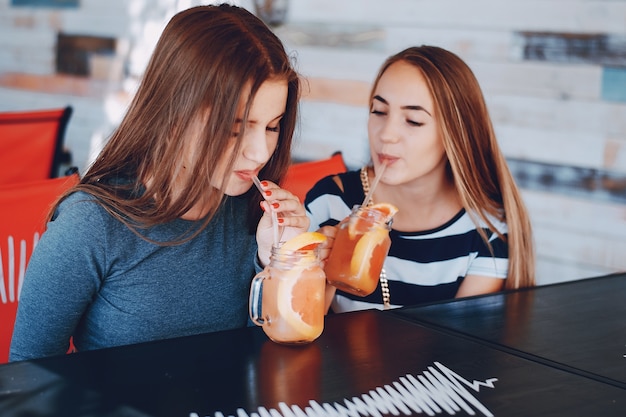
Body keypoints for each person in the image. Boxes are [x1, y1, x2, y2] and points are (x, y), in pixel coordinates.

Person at [10, 4, 308, 361]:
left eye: (272, 126)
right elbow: (28, 380)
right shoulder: (91, 227)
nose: (260, 152)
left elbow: (260, 363)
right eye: (235, 129)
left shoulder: (251, 214)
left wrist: (276, 263)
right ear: (173, 114)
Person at [306, 46, 535, 313]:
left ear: (456, 134)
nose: (387, 135)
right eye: (379, 111)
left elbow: (463, 347)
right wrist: (319, 281)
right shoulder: (330, 203)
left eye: (413, 121)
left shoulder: (486, 232)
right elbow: (295, 330)